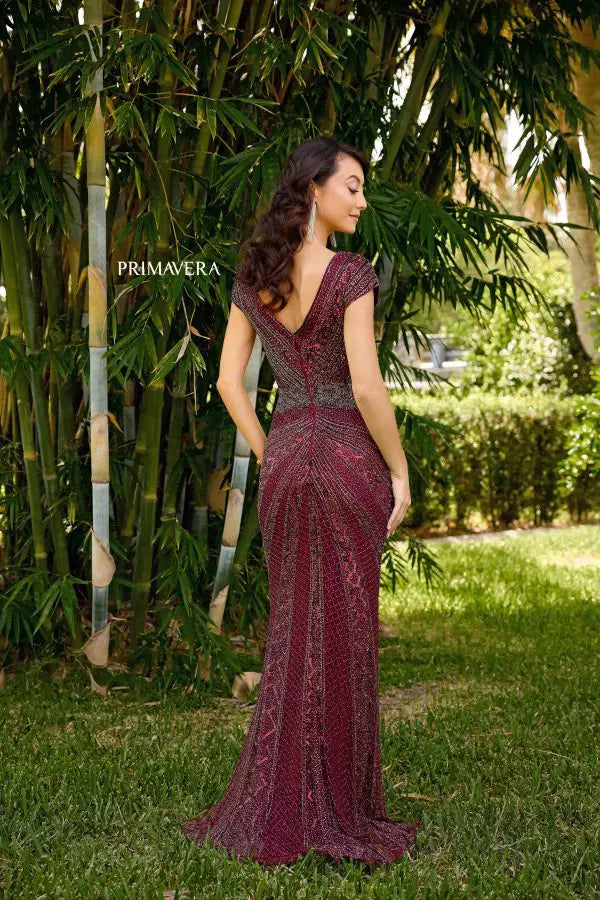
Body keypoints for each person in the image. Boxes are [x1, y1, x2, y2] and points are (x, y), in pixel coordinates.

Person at [182, 136, 421, 865]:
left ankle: (283, 799)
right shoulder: (351, 274)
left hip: (287, 458)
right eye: (352, 186)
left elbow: (228, 382)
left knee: (293, 627)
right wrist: (400, 471)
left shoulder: (257, 273)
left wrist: (270, 450)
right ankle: (340, 808)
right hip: (347, 459)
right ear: (314, 189)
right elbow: (367, 387)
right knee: (346, 630)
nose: (362, 200)